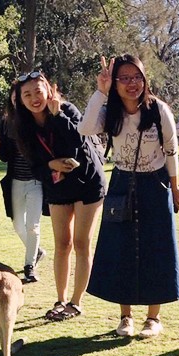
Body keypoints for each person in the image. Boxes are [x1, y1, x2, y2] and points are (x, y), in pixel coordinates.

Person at [80, 54, 179, 338]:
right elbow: (85, 128)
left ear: (144, 78)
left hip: (155, 183)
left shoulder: (158, 110)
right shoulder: (109, 111)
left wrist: (174, 187)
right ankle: (125, 317)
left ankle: (153, 318)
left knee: (156, 247)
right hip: (122, 182)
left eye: (136, 77)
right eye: (124, 78)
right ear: (115, 83)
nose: (131, 83)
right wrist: (100, 91)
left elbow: (171, 149)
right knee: (121, 248)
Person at [11, 71, 106, 320]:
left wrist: (57, 115)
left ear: (48, 90)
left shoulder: (67, 110)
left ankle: (75, 302)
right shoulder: (23, 126)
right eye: (27, 94)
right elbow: (34, 165)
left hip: (87, 182)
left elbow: (78, 140)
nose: (34, 98)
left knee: (81, 243)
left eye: (38, 91)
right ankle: (60, 299)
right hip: (58, 185)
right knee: (62, 243)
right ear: (20, 100)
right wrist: (52, 165)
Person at [0, 85, 46, 283]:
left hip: (36, 182)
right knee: (18, 225)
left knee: (33, 226)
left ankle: (29, 266)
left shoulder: (36, 119)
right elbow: (5, 156)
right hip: (16, 181)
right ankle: (37, 251)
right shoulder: (6, 122)